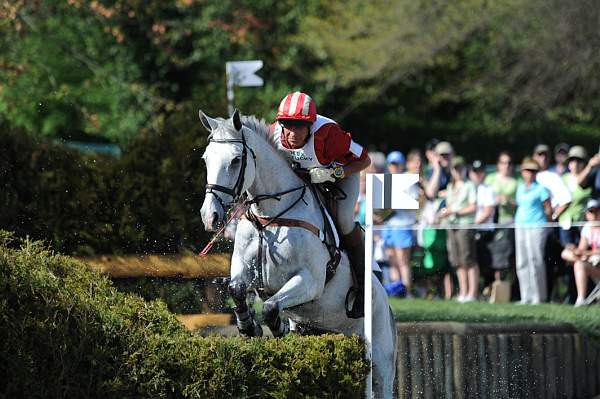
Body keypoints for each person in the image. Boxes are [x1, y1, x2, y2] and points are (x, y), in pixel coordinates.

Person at [271, 91, 371, 315]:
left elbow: (365, 160)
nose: (292, 132)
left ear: (311, 125)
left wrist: (333, 173)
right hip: (302, 182)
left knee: (344, 221)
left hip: (339, 177)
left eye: (299, 126)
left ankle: (363, 289)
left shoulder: (329, 135)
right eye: (287, 124)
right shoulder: (273, 135)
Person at [438, 156, 478, 302]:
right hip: (452, 225)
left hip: (465, 225)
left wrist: (454, 211)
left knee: (468, 259)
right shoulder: (451, 186)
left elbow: (473, 206)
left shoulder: (469, 185)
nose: (458, 171)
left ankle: (472, 293)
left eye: (460, 168)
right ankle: (463, 292)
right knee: (457, 260)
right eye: (456, 168)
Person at [514, 157, 552, 304]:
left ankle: (538, 296)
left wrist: (548, 227)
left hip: (537, 227)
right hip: (520, 226)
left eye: (533, 171)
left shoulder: (541, 189)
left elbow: (548, 209)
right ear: (523, 172)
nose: (530, 173)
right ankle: (526, 296)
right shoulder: (520, 188)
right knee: (521, 262)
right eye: (527, 170)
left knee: (535, 261)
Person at [382, 151, 418, 297]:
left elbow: (414, 203)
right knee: (392, 260)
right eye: (392, 164)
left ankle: (407, 292)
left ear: (402, 165)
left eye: (397, 164)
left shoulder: (408, 180)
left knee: (403, 260)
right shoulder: (386, 180)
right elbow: (381, 207)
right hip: (388, 225)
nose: (394, 167)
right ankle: (397, 290)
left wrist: (396, 203)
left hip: (403, 224)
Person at [561, 199, 600, 306]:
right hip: (593, 262)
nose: (595, 215)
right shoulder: (587, 228)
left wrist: (586, 254)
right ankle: (581, 299)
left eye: (597, 211)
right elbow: (582, 249)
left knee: (580, 263)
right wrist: (575, 250)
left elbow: (588, 252)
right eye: (591, 212)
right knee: (567, 254)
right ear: (587, 214)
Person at [469, 160, 497, 286]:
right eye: (475, 172)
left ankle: (487, 289)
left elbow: (488, 212)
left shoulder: (488, 189)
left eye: (480, 172)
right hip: (470, 230)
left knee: (485, 264)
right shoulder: (468, 188)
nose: (477, 175)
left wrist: (472, 224)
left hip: (484, 231)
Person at [559, 146, 592, 246]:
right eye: (572, 160)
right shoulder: (563, 179)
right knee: (567, 250)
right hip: (565, 222)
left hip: (582, 223)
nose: (575, 164)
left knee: (580, 250)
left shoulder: (589, 180)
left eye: (579, 160)